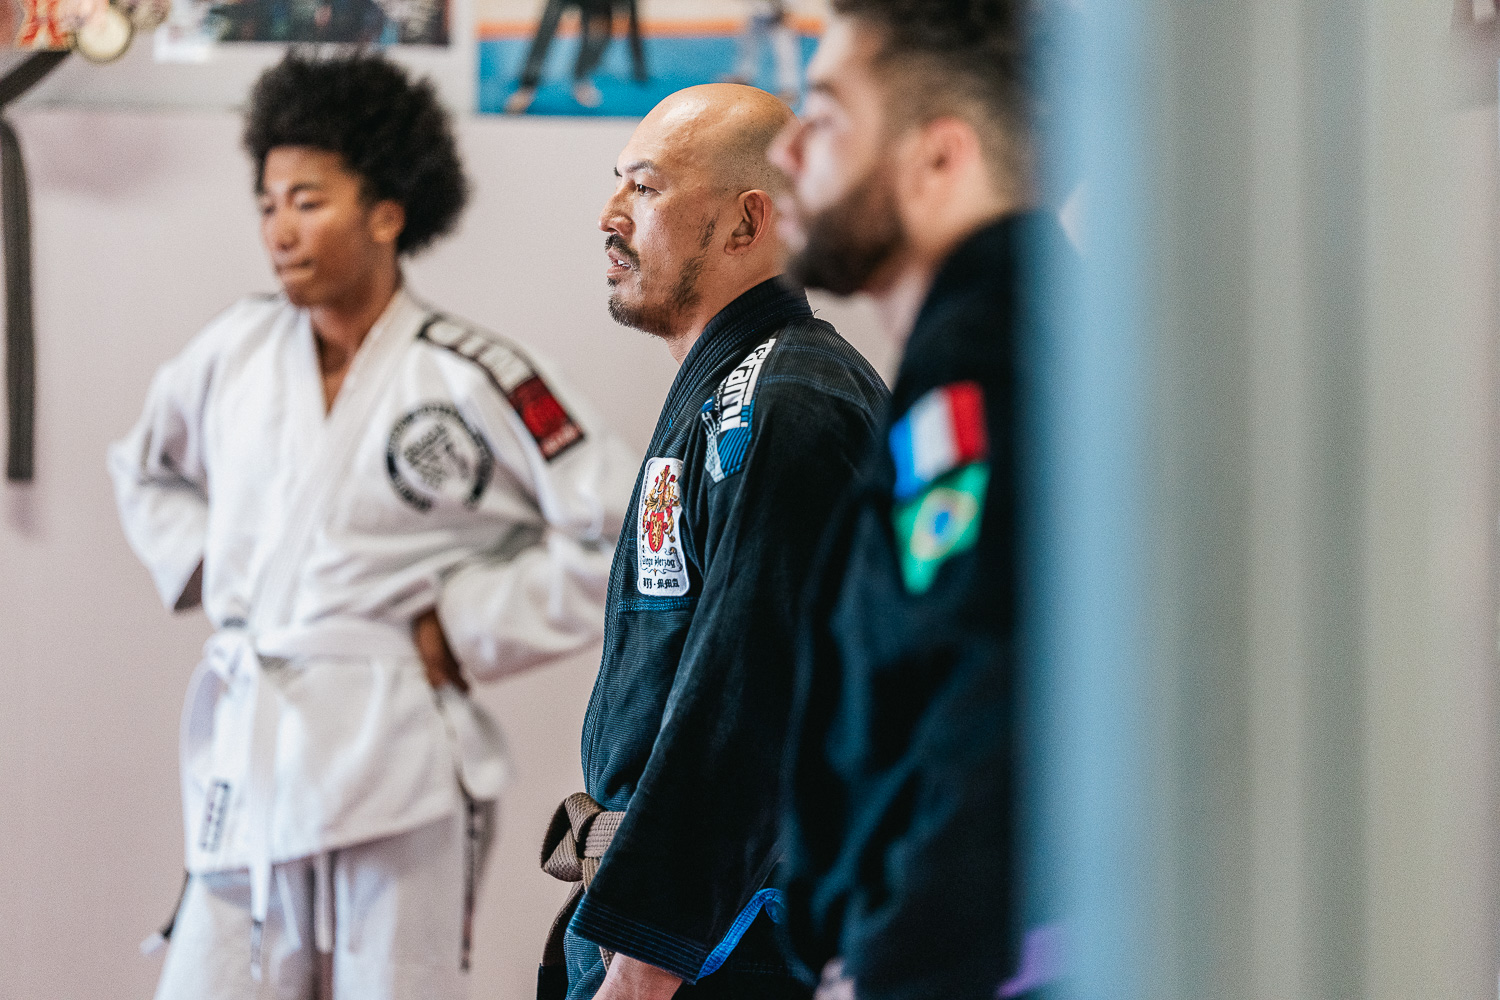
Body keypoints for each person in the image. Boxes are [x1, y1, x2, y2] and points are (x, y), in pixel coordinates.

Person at [109, 50, 636, 1000]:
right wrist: (219, 569)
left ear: (387, 213)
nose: (279, 229)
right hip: (252, 749)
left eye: (308, 201)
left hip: (396, 759)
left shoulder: (472, 372)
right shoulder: (231, 351)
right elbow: (142, 468)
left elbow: (626, 532)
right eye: (268, 203)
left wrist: (466, 622)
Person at [535, 83, 888, 1000]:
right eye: (619, 181)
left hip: (734, 951)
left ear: (746, 223)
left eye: (646, 188)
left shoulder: (789, 405)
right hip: (685, 935)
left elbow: (752, 702)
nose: (610, 215)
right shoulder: (735, 391)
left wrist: (644, 969)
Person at [768, 0, 1069, 998]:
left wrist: (899, 964)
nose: (787, 148)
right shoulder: (1000, 336)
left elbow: (993, 698)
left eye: (826, 115)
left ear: (938, 158)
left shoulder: (987, 361)